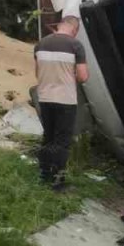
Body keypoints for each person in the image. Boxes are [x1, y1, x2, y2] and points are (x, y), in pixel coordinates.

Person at [34, 15, 89, 191]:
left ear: (60, 25)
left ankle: (44, 175)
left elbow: (37, 73)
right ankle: (58, 181)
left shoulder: (40, 44)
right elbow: (83, 76)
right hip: (65, 99)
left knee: (48, 137)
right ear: (75, 29)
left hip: (45, 98)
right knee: (62, 140)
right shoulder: (75, 45)